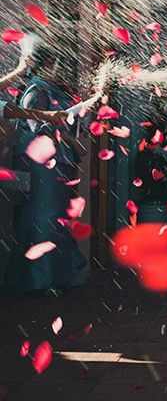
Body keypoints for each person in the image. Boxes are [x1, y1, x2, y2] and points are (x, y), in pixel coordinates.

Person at [2, 44, 87, 296]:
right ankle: (40, 279)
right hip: (42, 165)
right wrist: (72, 141)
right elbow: (37, 127)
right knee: (44, 218)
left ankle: (55, 275)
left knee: (52, 217)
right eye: (56, 64)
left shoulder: (46, 90)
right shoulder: (36, 90)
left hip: (53, 163)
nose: (59, 69)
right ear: (48, 63)